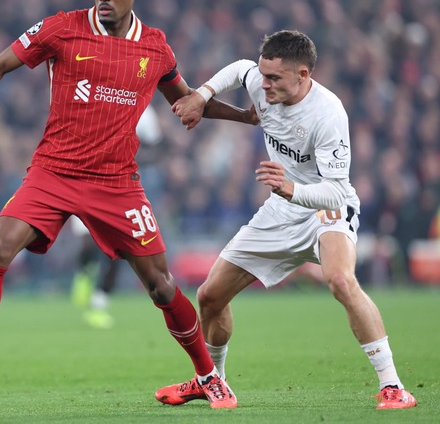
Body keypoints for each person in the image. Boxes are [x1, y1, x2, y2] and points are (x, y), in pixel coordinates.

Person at [0, 0, 255, 409]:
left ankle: (209, 377)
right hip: (53, 172)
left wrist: (246, 117)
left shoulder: (155, 47)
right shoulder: (62, 27)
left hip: (117, 182)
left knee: (162, 286)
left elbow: (187, 100)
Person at [156, 30, 417, 410]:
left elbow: (336, 192)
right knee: (209, 296)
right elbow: (240, 69)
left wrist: (292, 189)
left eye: (274, 78)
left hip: (323, 206)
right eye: (264, 75)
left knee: (341, 280)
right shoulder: (260, 80)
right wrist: (202, 94)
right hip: (281, 209)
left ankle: (392, 386)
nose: (264, 85)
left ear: (304, 75)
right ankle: (213, 381)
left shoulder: (328, 114)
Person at [70, 104, 164, 329]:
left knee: (121, 247)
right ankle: (85, 270)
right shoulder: (97, 99)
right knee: (89, 243)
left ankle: (99, 303)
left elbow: (156, 149)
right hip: (86, 180)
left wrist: (128, 153)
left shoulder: (145, 111)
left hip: (122, 187)